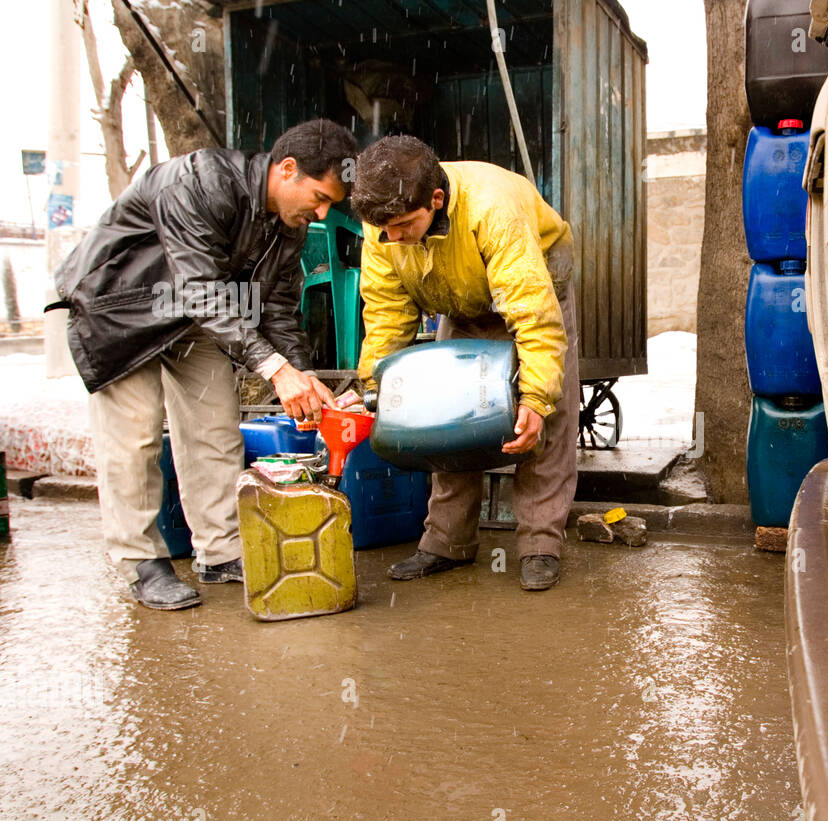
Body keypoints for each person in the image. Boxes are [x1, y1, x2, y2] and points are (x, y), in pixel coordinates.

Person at [52, 119, 357, 610]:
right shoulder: (198, 181)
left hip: (196, 321)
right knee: (136, 436)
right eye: (319, 196)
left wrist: (305, 378)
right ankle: (141, 562)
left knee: (215, 431)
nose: (322, 211)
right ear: (287, 169)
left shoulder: (290, 227)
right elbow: (200, 288)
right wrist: (274, 370)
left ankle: (219, 552)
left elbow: (276, 308)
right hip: (123, 309)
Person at [350, 135, 578, 591]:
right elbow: (387, 311)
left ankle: (540, 544)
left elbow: (532, 311)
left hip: (536, 289)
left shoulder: (493, 208)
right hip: (459, 301)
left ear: (436, 200)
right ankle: (446, 543)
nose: (392, 238)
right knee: (444, 413)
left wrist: (534, 396)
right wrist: (374, 386)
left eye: (403, 226)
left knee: (541, 422)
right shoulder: (384, 227)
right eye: (384, 231)